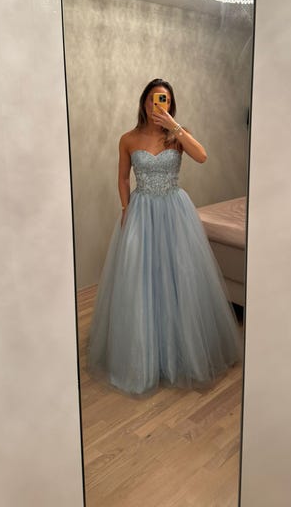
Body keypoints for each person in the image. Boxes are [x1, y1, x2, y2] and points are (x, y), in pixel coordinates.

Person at [87, 78, 242, 396]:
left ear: (171, 105)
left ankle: (182, 353)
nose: (159, 104)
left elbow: (202, 156)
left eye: (165, 100)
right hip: (142, 211)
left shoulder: (177, 136)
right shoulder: (128, 139)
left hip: (175, 211)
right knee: (140, 278)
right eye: (154, 99)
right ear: (144, 102)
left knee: (178, 275)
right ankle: (142, 357)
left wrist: (176, 126)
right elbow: (122, 178)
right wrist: (125, 208)